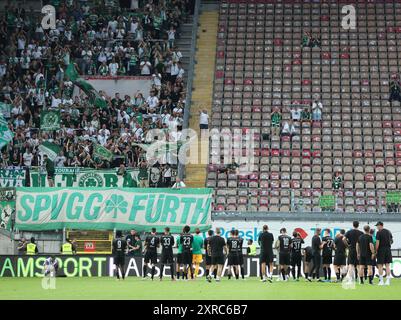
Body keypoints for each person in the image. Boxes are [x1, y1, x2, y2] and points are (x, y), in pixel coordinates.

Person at [375, 221, 393, 286]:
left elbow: (377, 242)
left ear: (380, 225)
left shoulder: (378, 232)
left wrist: (376, 250)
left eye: (377, 226)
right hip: (388, 249)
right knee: (387, 265)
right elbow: (391, 240)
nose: (377, 227)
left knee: (380, 265)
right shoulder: (388, 231)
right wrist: (388, 244)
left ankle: (381, 281)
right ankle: (388, 281)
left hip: (381, 250)